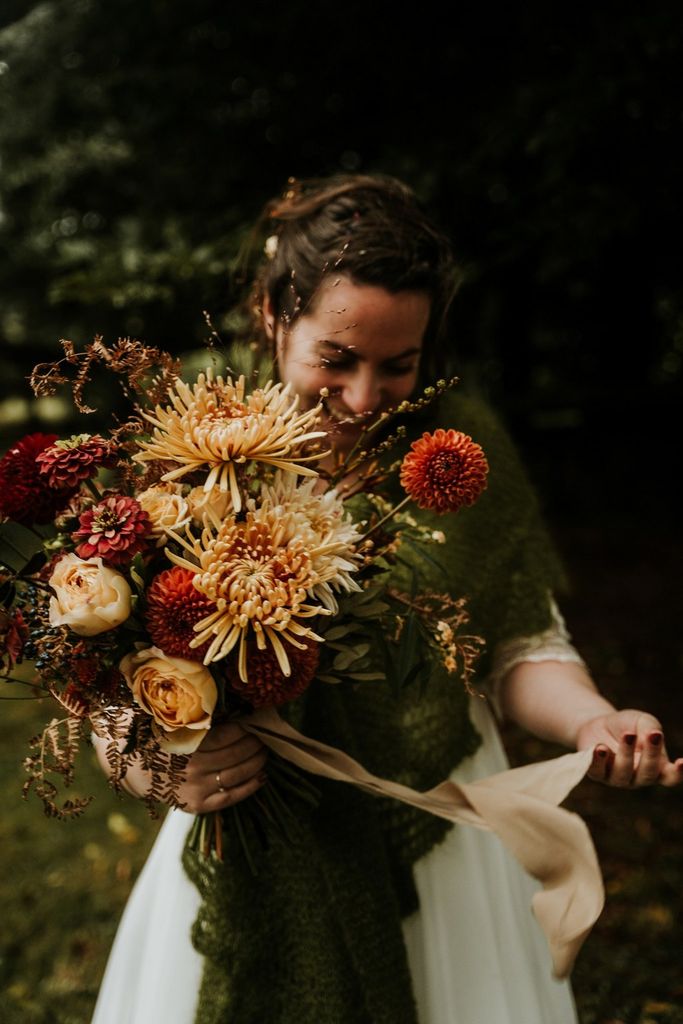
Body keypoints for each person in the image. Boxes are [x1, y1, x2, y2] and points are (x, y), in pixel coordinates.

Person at [91, 174, 682, 1024]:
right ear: (272, 317)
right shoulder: (190, 458)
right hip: (254, 832)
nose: (365, 397)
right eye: (335, 359)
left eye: (397, 364)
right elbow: (107, 660)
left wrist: (592, 718)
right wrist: (150, 757)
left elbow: (518, 645)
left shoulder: (459, 457)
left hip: (438, 817)